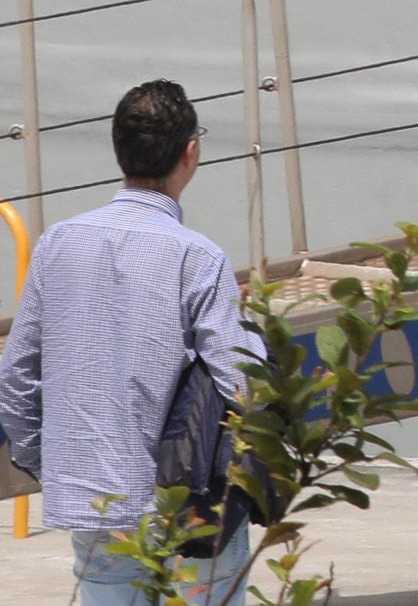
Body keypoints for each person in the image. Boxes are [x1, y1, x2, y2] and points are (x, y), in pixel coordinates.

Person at [0, 82, 259, 606]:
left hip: (93, 497)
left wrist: (52, 465)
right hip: (184, 499)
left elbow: (17, 377)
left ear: (118, 150)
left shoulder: (57, 244)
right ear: (191, 153)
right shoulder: (198, 257)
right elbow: (241, 383)